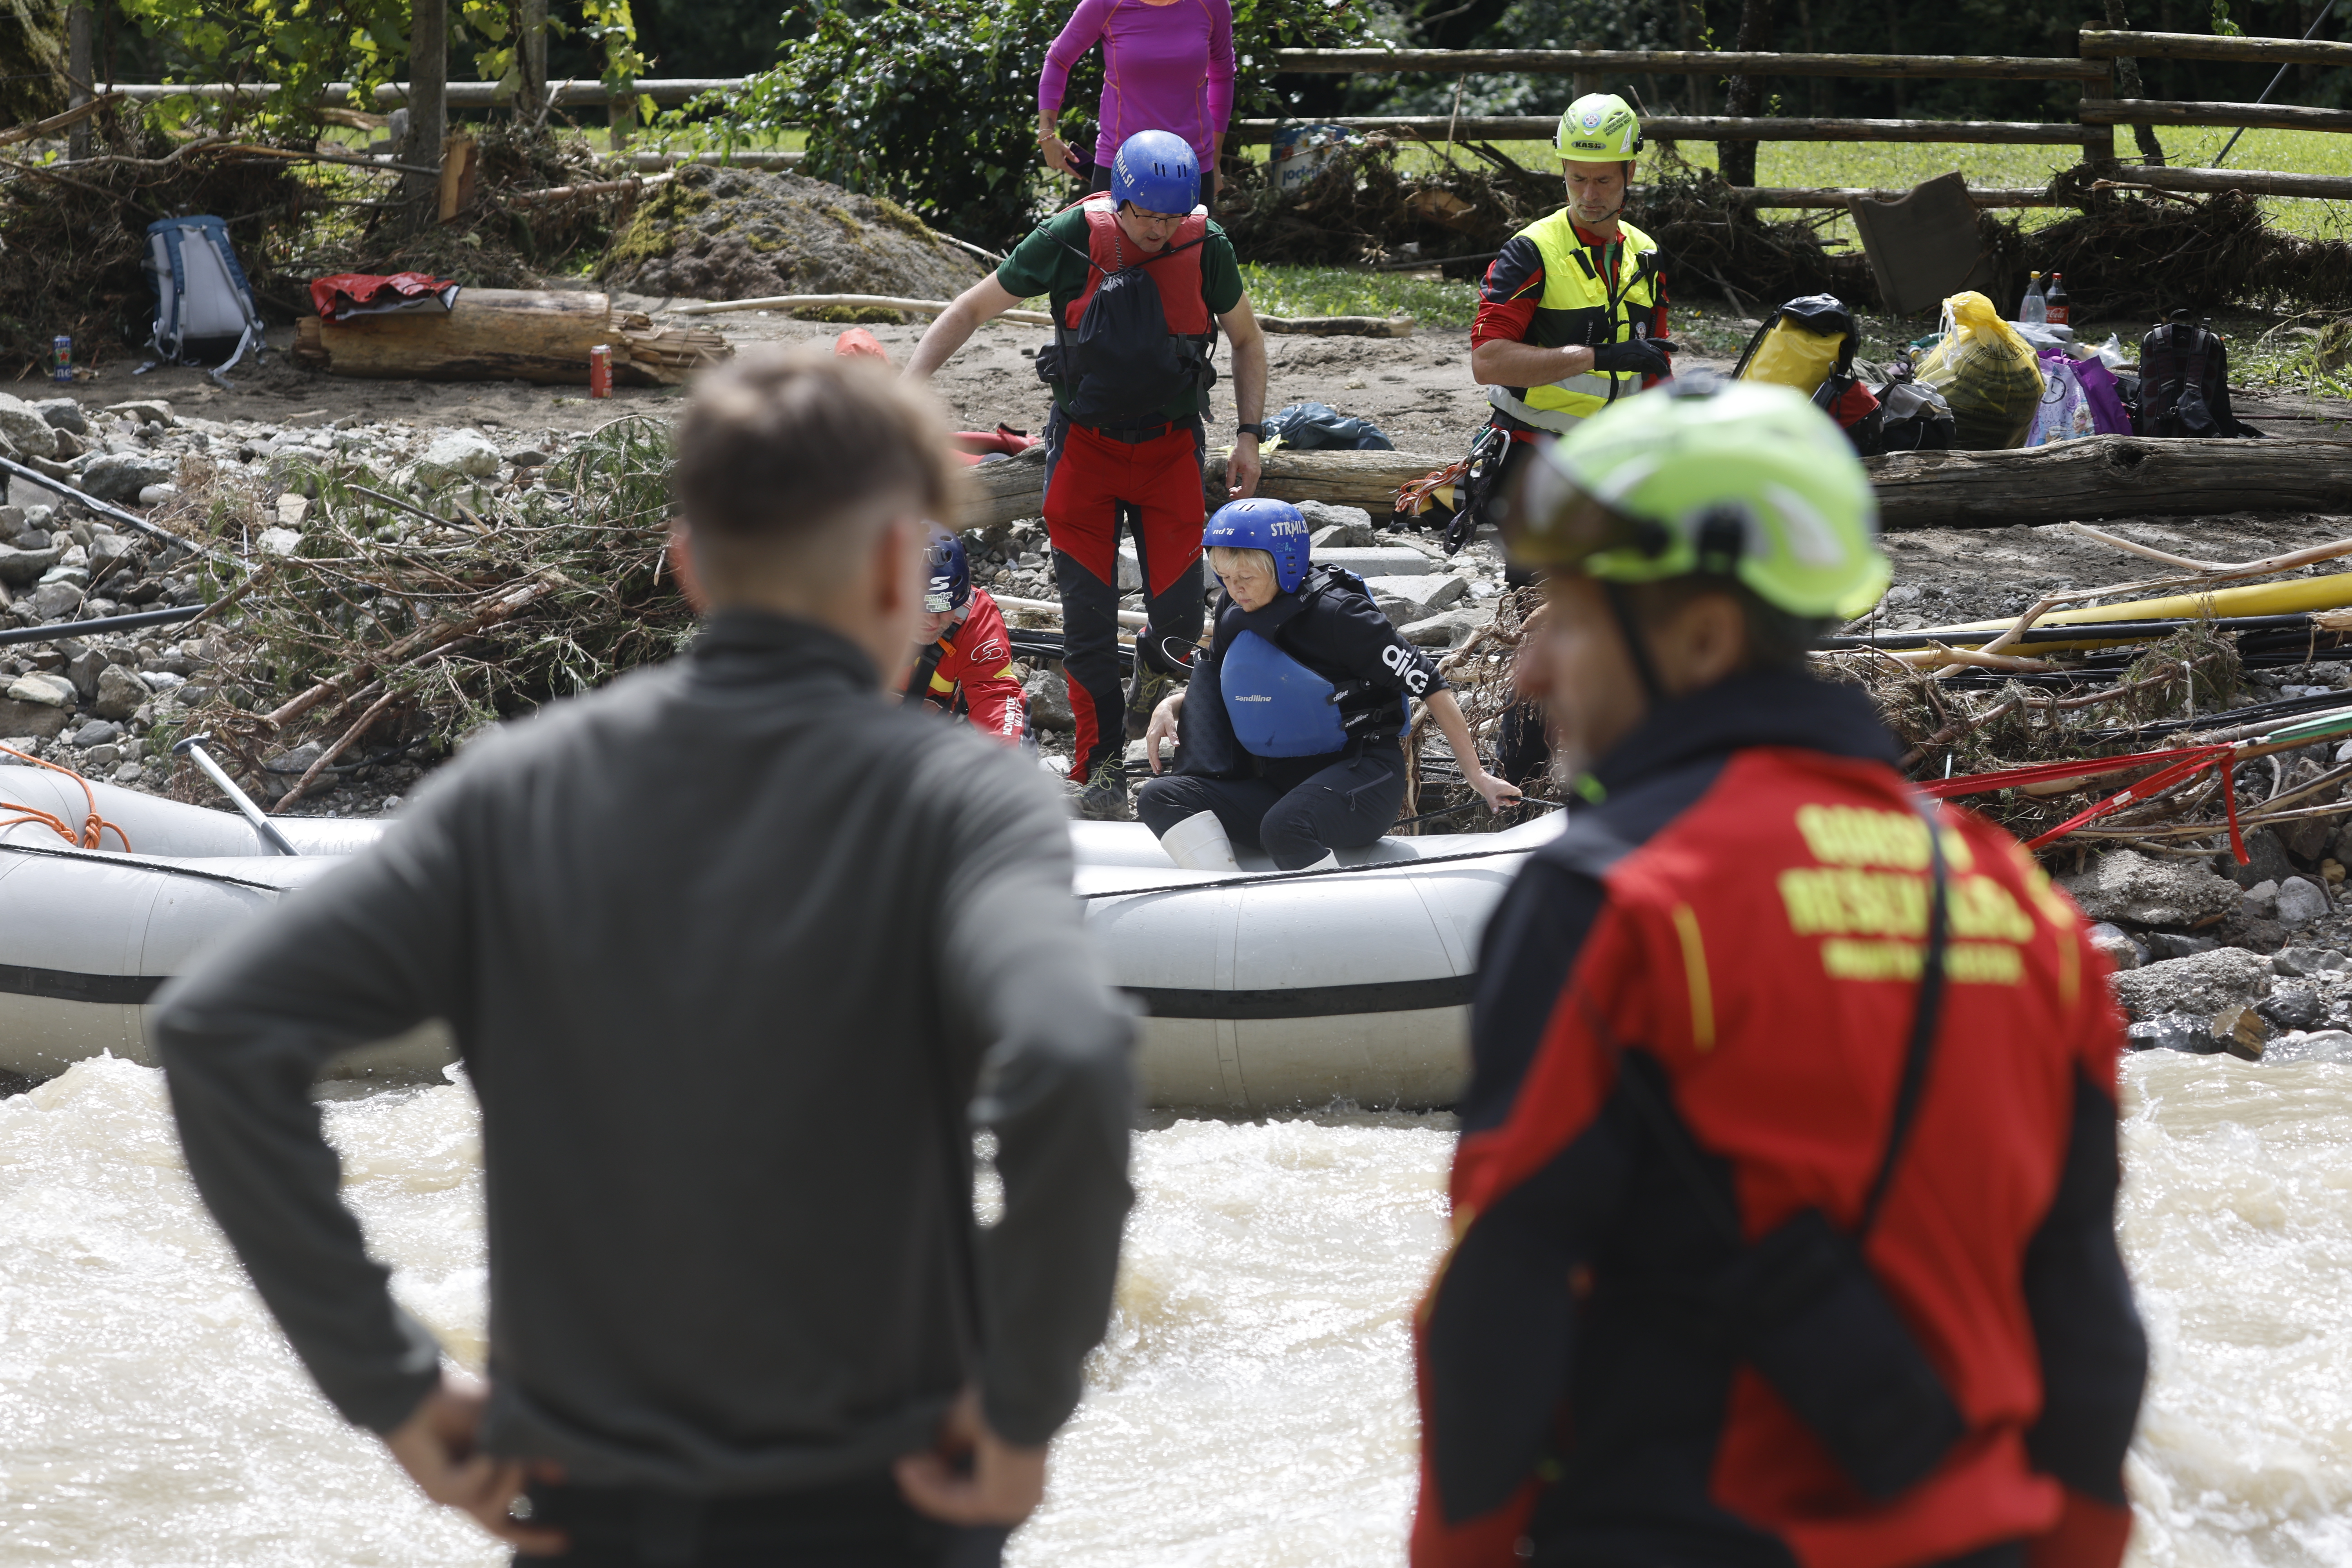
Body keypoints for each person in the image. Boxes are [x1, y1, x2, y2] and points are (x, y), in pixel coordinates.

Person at [154, 349, 1136, 1567]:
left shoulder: (515, 792)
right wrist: (1024, 1398)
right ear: (899, 562)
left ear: (686, 565)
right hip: (884, 1506)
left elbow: (217, 1031)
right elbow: (1073, 1051)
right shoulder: (964, 802)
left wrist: (391, 1385)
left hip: (587, 1508)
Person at [1411, 376, 2146, 1568]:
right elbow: (2086, 1325)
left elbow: (1497, 1302)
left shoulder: (1614, 899)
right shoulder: (2015, 904)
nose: (1534, 673)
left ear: (1696, 637)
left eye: (1575, 618)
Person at [906, 129, 1268, 822]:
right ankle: (1101, 765)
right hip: (1086, 453)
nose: (1160, 232)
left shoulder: (1206, 244)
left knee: (1180, 623)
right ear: (1121, 199)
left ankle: (1157, 706)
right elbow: (970, 309)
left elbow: (1248, 339)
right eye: (1147, 217)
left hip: (1169, 452)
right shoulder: (1070, 235)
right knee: (1087, 625)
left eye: (1172, 217)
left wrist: (1248, 436)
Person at [1134, 497, 1519, 872]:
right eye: (1225, 578)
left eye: (1246, 578)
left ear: (1284, 564)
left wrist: (1477, 776)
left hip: (1363, 777)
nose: (1235, 590)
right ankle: (1223, 900)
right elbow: (1232, 684)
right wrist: (1173, 704)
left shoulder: (1341, 616)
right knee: (1159, 795)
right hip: (1277, 781)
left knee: (1285, 828)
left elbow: (1430, 683)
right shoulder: (1234, 613)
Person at [1457, 92, 1675, 557]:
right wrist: (1597, 357)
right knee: (1531, 603)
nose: (1589, 196)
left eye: (1602, 180)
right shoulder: (1529, 251)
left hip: (1618, 461)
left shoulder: (1646, 252)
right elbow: (1488, 361)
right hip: (1536, 456)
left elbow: (1657, 363)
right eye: (1577, 179)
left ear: (1630, 173)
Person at [1037, 0, 1235, 205]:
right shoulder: (1105, 5)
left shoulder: (1213, 5)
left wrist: (1215, 158)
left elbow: (1223, 76)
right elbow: (1058, 60)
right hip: (1121, 167)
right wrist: (1047, 134)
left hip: (1191, 167)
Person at [906, 527, 1030, 747]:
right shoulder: (847, 607)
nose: (933, 622)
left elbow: (998, 698)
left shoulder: (974, 619)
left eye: (945, 607)